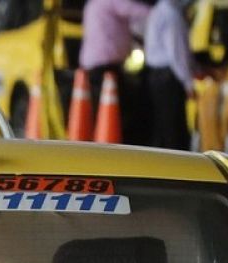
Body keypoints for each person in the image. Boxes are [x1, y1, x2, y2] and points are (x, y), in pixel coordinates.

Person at [78, 0, 152, 144]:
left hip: (93, 65)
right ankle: (118, 144)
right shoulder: (111, 2)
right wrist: (160, 12)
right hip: (106, 66)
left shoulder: (93, 4)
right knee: (118, 110)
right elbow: (137, 11)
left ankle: (101, 140)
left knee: (99, 109)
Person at [143, 0, 195, 151]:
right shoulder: (172, 15)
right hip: (169, 77)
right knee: (174, 128)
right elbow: (178, 54)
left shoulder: (157, 11)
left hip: (156, 75)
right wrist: (188, 83)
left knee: (162, 125)